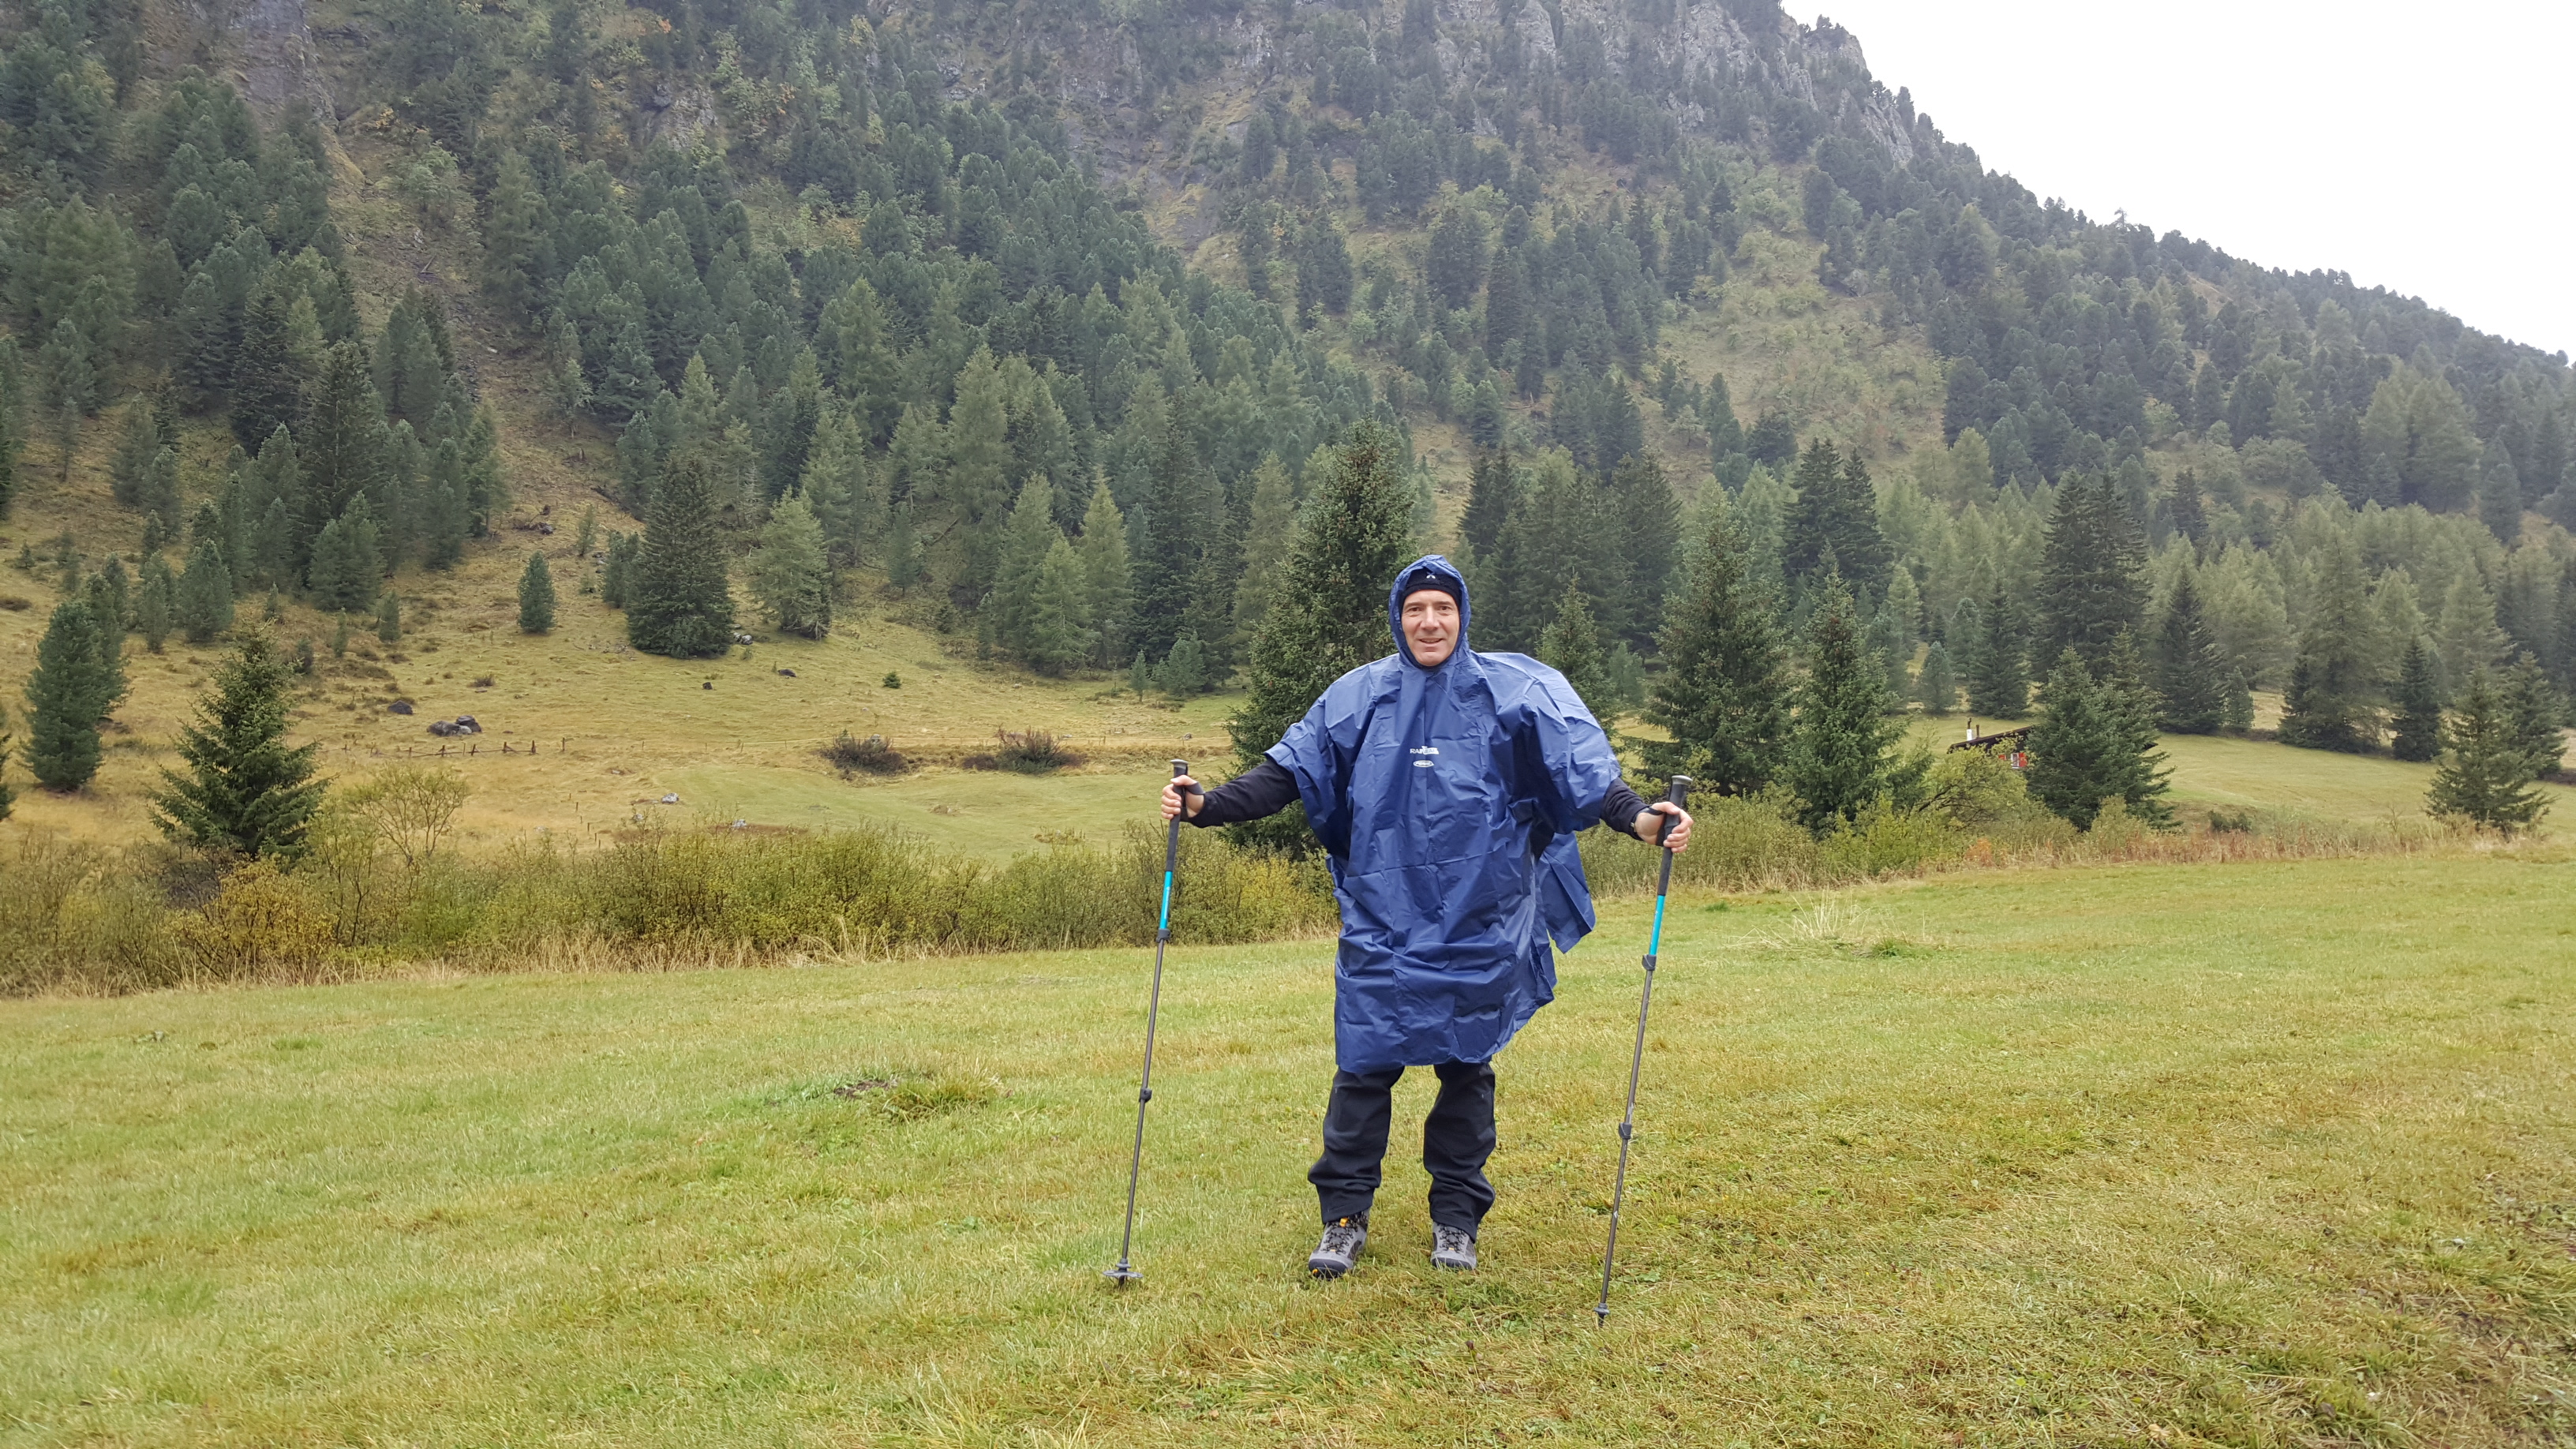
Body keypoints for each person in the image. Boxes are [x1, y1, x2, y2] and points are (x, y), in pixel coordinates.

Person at [1160, 556, 1691, 1278]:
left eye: (1443, 608)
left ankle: (1457, 1220)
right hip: (1383, 921)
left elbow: (1584, 772)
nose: (1430, 622)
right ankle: (1343, 1218)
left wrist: (1642, 821)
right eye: (1416, 609)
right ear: (1398, 617)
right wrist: (1207, 805)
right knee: (1362, 1069)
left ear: (1462, 616)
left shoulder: (1515, 690)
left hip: (1482, 920)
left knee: (1466, 1072)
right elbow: (1288, 773)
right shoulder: (1359, 695)